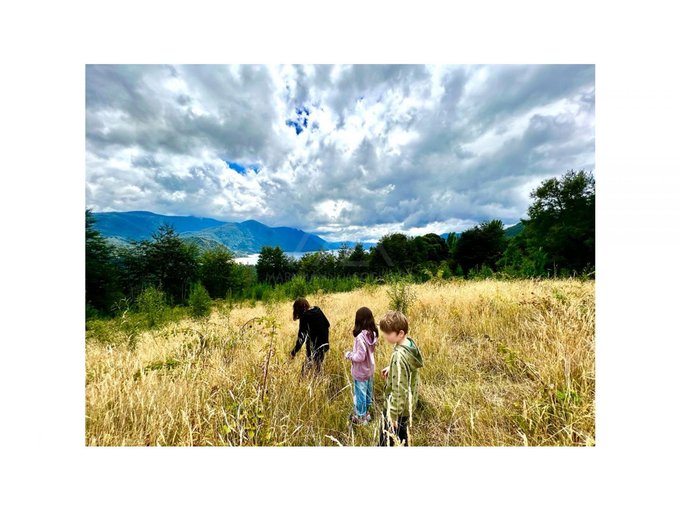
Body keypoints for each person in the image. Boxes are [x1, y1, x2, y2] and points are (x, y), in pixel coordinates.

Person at [378, 310, 424, 446]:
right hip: (407, 406)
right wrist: (392, 368)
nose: (385, 336)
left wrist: (392, 414)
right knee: (402, 437)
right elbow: (406, 367)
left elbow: (399, 389)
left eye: (388, 333)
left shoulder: (398, 356)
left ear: (400, 333)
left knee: (386, 441)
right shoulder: (409, 345)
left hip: (397, 410)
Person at [344, 307, 379, 425]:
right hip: (369, 369)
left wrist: (349, 355)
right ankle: (367, 414)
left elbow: (360, 357)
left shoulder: (360, 337)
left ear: (358, 320)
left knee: (360, 395)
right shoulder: (372, 334)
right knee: (368, 392)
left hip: (360, 371)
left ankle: (360, 417)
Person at [290, 297, 330, 375]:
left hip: (313, 346)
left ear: (297, 309)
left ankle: (303, 382)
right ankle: (318, 382)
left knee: (306, 368)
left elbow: (301, 337)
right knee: (318, 366)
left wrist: (294, 351)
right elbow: (327, 324)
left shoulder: (304, 316)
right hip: (324, 343)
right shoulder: (317, 310)